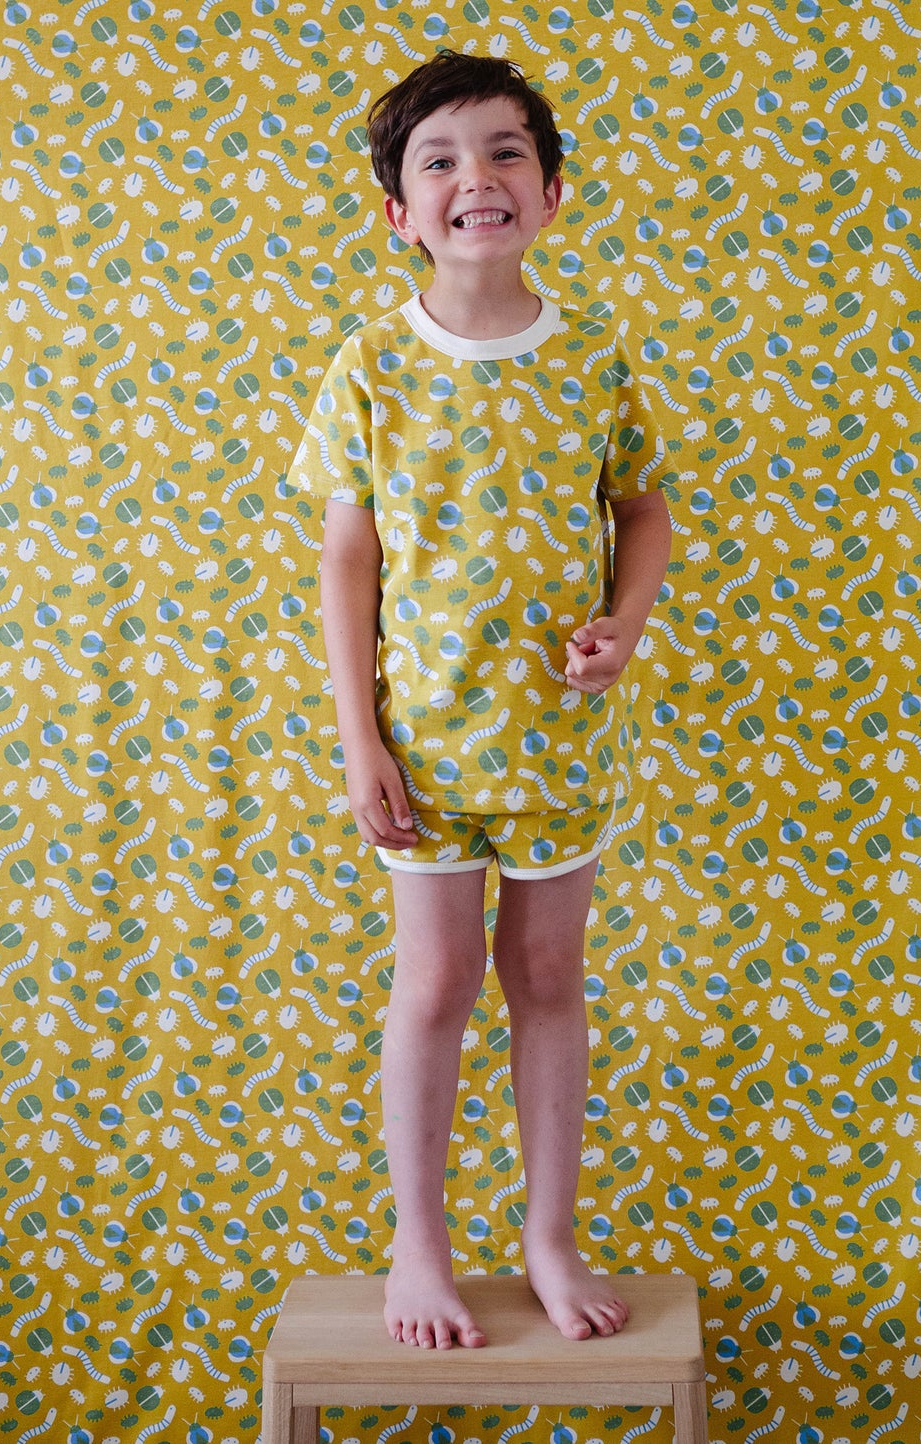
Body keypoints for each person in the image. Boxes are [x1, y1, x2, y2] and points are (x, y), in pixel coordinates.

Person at [289, 50, 675, 1351]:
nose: (477, 178)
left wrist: (624, 623)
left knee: (548, 978)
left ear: (551, 191)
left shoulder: (597, 356)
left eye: (507, 152)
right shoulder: (369, 367)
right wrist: (361, 742)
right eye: (440, 160)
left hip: (563, 740)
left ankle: (550, 1239)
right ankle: (421, 1243)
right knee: (437, 983)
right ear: (399, 211)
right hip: (425, 748)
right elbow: (348, 560)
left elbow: (642, 510)